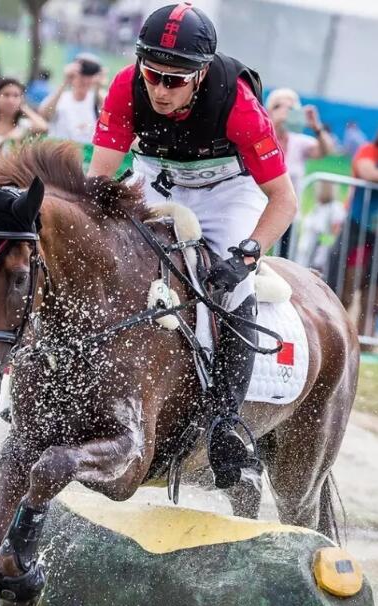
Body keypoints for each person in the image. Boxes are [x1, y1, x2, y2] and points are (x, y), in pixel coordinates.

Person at [88, 2, 297, 489]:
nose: (160, 90)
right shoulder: (125, 86)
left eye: (174, 80)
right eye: (152, 75)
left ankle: (225, 424)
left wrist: (247, 257)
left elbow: (284, 200)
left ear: (201, 74)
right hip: (155, 177)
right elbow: (98, 181)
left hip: (228, 192)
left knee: (230, 289)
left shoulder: (238, 104)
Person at [266, 88, 334, 258]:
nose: (284, 111)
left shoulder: (299, 142)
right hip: (258, 212)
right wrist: (273, 125)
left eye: (290, 108)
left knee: (283, 261)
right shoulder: (261, 138)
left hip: (288, 215)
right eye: (278, 106)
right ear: (268, 111)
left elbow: (326, 151)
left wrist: (316, 127)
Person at [328, 134, 378, 338]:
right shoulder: (368, 150)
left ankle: (365, 340)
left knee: (372, 296)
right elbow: (368, 172)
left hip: (374, 236)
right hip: (357, 229)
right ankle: (336, 334)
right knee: (344, 288)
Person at [39, 53, 105, 144]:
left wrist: (99, 86)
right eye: (82, 75)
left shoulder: (97, 99)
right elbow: (45, 115)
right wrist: (65, 82)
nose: (85, 80)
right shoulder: (61, 98)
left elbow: (108, 118)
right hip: (61, 150)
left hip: (87, 151)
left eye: (90, 76)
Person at [0, 77, 48, 148]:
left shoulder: (23, 126)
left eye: (16, 96)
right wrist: (7, 139)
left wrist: (24, 108)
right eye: (6, 95)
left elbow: (43, 127)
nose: (11, 100)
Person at [297, 181, 345, 275]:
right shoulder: (317, 207)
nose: (315, 191)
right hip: (307, 250)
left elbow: (336, 231)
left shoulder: (335, 208)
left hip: (320, 253)